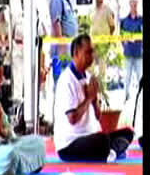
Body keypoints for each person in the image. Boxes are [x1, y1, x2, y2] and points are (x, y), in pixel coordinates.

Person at [54, 34, 134, 162]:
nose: (92, 56)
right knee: (103, 140)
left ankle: (110, 150)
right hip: (69, 145)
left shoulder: (87, 76)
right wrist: (89, 98)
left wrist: (95, 99)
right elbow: (72, 119)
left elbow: (98, 116)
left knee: (128, 133)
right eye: (88, 52)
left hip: (90, 137)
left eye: (92, 52)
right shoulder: (66, 80)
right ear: (76, 53)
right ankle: (110, 150)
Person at [48, 0, 78, 84]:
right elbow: (56, 21)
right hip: (60, 50)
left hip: (68, 47)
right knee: (59, 80)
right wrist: (61, 45)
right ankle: (58, 102)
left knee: (69, 81)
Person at [120, 0, 142, 102]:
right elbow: (121, 37)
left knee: (140, 76)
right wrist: (124, 46)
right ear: (129, 5)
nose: (134, 6)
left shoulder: (141, 20)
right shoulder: (124, 21)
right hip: (128, 53)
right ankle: (126, 96)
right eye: (132, 4)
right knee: (127, 76)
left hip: (139, 53)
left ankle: (141, 96)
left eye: (135, 4)